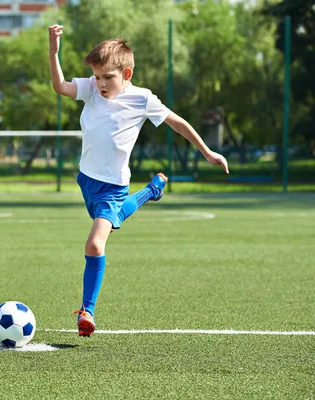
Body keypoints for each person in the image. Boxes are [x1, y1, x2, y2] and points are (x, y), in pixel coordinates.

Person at [48, 25, 229, 337]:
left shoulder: (142, 99)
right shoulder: (91, 89)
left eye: (108, 77)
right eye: (97, 76)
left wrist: (207, 151)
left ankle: (87, 310)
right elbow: (60, 87)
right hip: (87, 181)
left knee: (95, 243)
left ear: (126, 74)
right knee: (116, 215)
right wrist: (54, 51)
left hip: (113, 186)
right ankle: (152, 190)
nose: (101, 83)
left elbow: (178, 123)